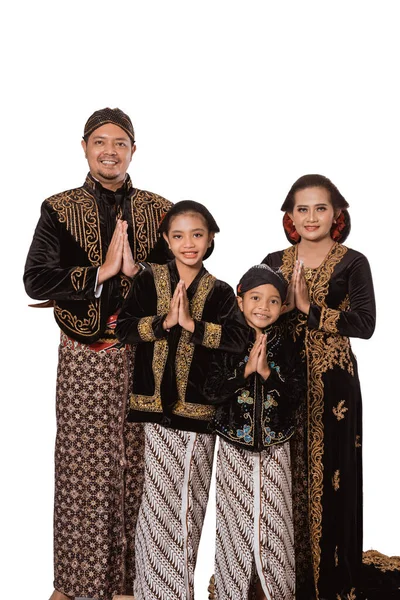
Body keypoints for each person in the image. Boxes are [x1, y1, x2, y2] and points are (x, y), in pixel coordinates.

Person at [23, 107, 172, 600]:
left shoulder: (161, 209)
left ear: (134, 150)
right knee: (82, 467)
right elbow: (35, 278)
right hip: (85, 352)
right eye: (100, 142)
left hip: (145, 350)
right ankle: (75, 586)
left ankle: (129, 585)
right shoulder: (59, 208)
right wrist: (100, 273)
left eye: (120, 143)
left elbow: (184, 281)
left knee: (138, 464)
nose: (110, 151)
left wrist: (138, 275)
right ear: (84, 147)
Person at [262, 174, 390, 599]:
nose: (311, 217)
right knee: (285, 475)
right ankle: (285, 578)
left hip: (333, 387)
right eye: (302, 208)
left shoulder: (353, 262)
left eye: (320, 208)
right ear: (290, 216)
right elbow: (255, 314)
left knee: (333, 476)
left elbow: (365, 325)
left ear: (337, 214)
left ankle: (331, 581)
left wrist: (308, 309)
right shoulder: (273, 261)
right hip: (280, 381)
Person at [115, 201, 248, 600]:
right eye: (178, 236)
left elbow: (238, 340)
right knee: (153, 514)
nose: (188, 244)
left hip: (197, 418)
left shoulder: (221, 292)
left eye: (196, 235)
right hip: (153, 414)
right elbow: (123, 329)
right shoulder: (148, 280)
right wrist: (163, 323)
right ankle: (149, 592)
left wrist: (193, 326)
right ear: (166, 241)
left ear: (210, 239)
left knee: (185, 512)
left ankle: (174, 593)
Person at [209, 264, 304, 600]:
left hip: (277, 445)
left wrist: (267, 374)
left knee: (275, 521)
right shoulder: (228, 338)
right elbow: (212, 390)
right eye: (255, 297)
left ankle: (275, 591)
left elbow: (296, 395)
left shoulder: (286, 342)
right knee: (234, 522)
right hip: (235, 443)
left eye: (274, 300)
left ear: (283, 306)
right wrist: (244, 371)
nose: (264, 306)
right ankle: (231, 591)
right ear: (240, 299)